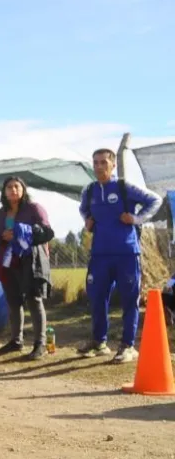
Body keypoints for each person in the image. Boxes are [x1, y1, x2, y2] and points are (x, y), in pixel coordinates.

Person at [78, 148, 162, 362]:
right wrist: (87, 220)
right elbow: (83, 209)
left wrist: (136, 219)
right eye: (95, 163)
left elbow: (154, 200)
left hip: (126, 253)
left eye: (103, 162)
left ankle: (128, 346)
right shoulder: (89, 190)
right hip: (99, 254)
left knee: (129, 300)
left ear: (113, 165)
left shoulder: (124, 187)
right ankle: (99, 342)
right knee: (97, 298)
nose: (99, 167)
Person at [0, 177, 55, 360]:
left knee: (34, 300)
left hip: (30, 261)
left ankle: (41, 343)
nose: (13, 190)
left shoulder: (34, 209)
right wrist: (3, 235)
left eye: (17, 186)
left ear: (23, 189)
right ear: (4, 191)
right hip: (7, 262)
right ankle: (16, 341)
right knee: (13, 302)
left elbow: (47, 232)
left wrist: (24, 233)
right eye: (9, 187)